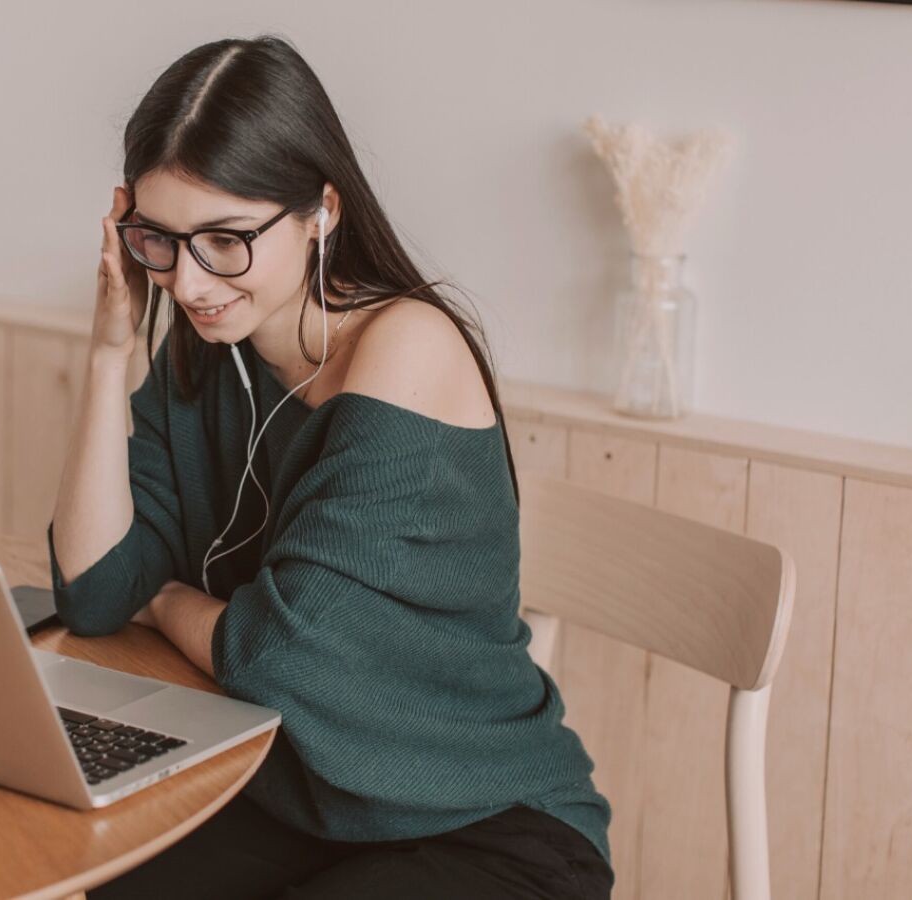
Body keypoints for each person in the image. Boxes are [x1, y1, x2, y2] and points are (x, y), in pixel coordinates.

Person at [48, 33, 614, 900]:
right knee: (87, 875)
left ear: (321, 211)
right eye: (158, 239)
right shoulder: (210, 344)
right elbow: (93, 594)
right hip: (295, 799)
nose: (189, 283)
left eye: (226, 239)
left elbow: (277, 654)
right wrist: (106, 352)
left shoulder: (407, 346)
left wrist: (160, 600)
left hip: (484, 822)